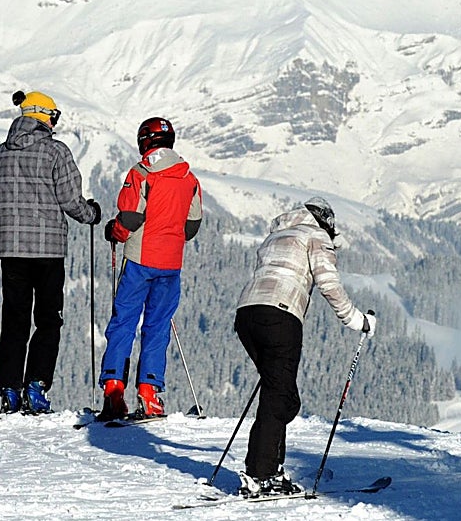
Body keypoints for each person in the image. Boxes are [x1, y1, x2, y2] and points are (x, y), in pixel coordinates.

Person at [233, 196, 375, 497]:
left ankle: (269, 467)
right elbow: (329, 284)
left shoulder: (277, 234)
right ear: (326, 222)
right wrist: (357, 320)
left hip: (246, 314)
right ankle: (262, 474)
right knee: (279, 395)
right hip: (281, 316)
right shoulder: (316, 236)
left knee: (279, 394)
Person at [0, 90, 101, 414]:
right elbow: (69, 200)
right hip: (49, 249)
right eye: (54, 116)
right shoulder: (56, 151)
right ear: (45, 116)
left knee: (14, 321)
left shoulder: (1, 153)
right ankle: (36, 387)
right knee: (49, 320)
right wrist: (91, 213)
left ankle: (8, 390)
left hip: (10, 249)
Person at [98, 117, 203, 420]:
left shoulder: (141, 173)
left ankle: (115, 390)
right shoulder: (189, 178)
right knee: (157, 328)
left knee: (124, 323)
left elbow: (130, 218)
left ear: (145, 141)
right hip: (171, 264)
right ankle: (150, 394)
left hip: (139, 260)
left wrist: (114, 231)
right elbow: (192, 226)